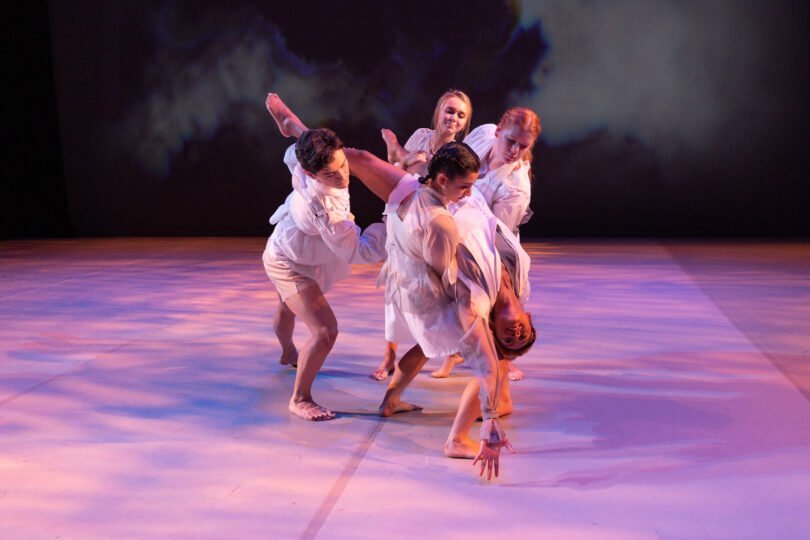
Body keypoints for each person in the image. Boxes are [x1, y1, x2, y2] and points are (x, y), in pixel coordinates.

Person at [346, 144, 529, 478]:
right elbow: (444, 271)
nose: (470, 193)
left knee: (425, 347)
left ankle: (391, 400)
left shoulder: (407, 187)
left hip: (405, 286)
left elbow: (358, 158)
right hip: (429, 297)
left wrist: (303, 136)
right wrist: (489, 422)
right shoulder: (442, 224)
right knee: (494, 359)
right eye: (464, 187)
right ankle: (458, 439)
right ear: (442, 178)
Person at [263, 93, 387, 421]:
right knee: (325, 330)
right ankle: (300, 399)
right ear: (312, 174)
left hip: (289, 246)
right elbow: (358, 251)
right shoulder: (327, 210)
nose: (343, 177)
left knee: (285, 305)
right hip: (288, 261)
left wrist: (287, 120)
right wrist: (392, 224)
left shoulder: (307, 155)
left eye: (342, 165)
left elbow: (300, 136)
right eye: (331, 175)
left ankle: (288, 352)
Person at [431, 107, 541, 381]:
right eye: (511, 141)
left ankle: (501, 357)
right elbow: (455, 164)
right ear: (498, 131)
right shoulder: (482, 134)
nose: (515, 150)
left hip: (488, 244)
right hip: (453, 219)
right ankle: (454, 354)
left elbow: (491, 234)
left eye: (523, 146)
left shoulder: (515, 189)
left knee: (485, 302)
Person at [371, 90, 473, 381]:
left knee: (429, 291)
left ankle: (449, 350)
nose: (453, 118)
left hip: (425, 225)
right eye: (450, 111)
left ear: (465, 123)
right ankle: (389, 356)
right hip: (399, 215)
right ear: (439, 111)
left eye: (460, 115)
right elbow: (394, 174)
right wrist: (402, 163)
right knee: (394, 285)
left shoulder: (455, 155)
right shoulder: (420, 135)